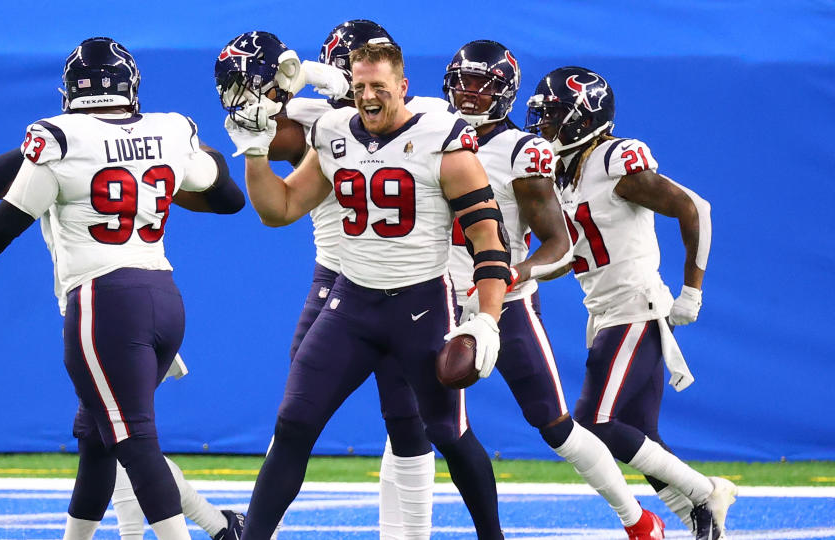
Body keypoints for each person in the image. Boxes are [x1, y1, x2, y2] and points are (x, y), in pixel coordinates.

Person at [0, 37, 240, 540]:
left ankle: (215, 529)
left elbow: (1, 218)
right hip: (164, 298)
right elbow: (228, 197)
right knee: (98, 440)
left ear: (69, 90)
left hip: (104, 303)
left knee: (133, 440)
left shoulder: (59, 138)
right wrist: (181, 155)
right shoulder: (170, 129)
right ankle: (213, 526)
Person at [224, 42, 510, 540]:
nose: (368, 97)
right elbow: (281, 209)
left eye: (379, 86)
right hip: (351, 304)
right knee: (292, 425)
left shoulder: (440, 137)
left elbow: (489, 237)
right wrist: (254, 152)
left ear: (402, 87)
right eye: (359, 87)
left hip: (422, 306)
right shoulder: (335, 133)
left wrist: (487, 318)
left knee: (448, 431)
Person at [443, 41, 665, 538]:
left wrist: (513, 274)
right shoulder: (430, 130)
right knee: (420, 425)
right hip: (433, 300)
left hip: (505, 305)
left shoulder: (523, 151)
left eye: (483, 83)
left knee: (558, 427)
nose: (469, 93)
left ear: (504, 92)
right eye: (462, 80)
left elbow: (559, 244)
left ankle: (638, 520)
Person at [0, 147, 245, 540]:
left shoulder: (90, 154)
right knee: (106, 439)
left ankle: (216, 527)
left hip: (107, 311)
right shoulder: (68, 156)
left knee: (127, 439)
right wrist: (58, 139)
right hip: (132, 305)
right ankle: (221, 526)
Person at [525, 66, 736, 539]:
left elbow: (694, 207)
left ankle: (706, 491)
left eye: (554, 113)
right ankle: (698, 522)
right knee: (642, 435)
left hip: (634, 309)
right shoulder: (567, 172)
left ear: (583, 117)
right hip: (605, 313)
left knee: (595, 423)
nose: (543, 124)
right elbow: (574, 255)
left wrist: (692, 290)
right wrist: (521, 277)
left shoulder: (612, 159)